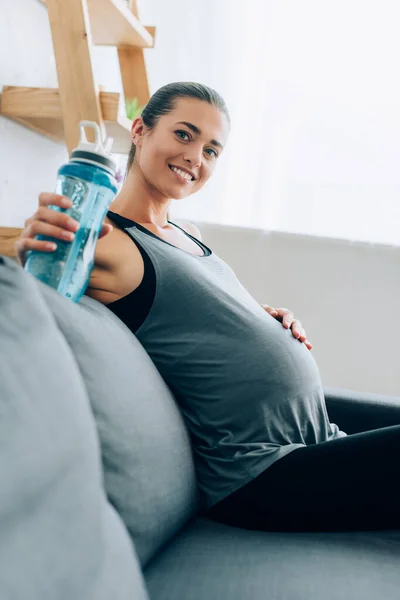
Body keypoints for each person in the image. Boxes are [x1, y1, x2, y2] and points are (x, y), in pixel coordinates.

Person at [16, 82, 400, 533]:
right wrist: (37, 249)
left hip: (314, 437)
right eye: (184, 134)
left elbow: (202, 320)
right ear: (140, 130)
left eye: (212, 150)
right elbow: (41, 299)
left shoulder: (187, 233)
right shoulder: (111, 241)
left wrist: (267, 319)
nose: (196, 157)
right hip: (259, 474)